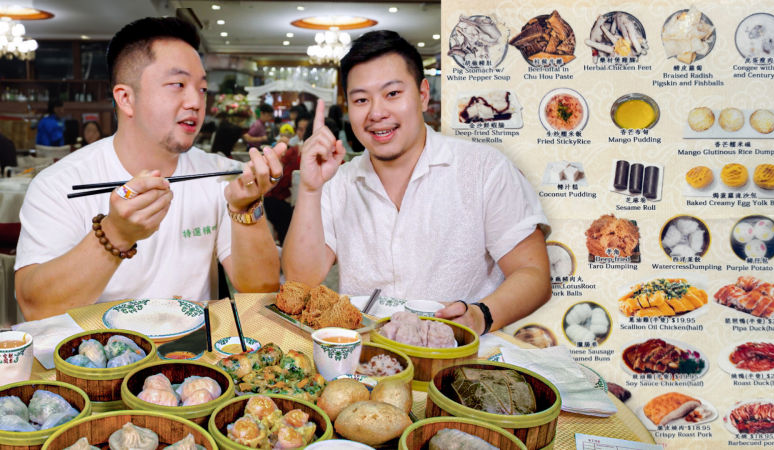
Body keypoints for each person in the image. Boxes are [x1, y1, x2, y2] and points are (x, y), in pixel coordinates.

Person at [282, 30, 551, 336]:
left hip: (456, 361)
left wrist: (481, 316)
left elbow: (534, 274)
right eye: (361, 99)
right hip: (364, 359)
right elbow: (301, 283)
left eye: (392, 94)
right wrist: (310, 188)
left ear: (423, 95)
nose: (377, 112)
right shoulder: (339, 182)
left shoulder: (483, 168)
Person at [15, 17, 284, 320]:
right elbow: (35, 306)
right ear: (126, 98)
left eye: (203, 88)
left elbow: (262, 289)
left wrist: (245, 208)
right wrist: (115, 233)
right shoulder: (60, 183)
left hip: (191, 360)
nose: (196, 101)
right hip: (95, 360)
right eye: (177, 85)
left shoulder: (222, 174)